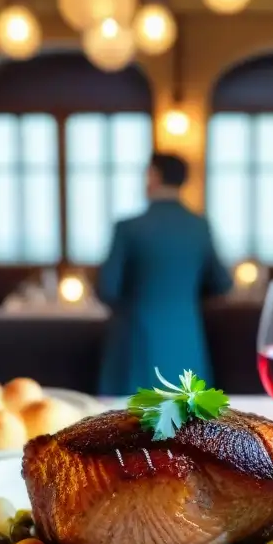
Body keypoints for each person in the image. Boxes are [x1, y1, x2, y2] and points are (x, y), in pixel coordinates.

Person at [95, 152, 233, 395]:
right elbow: (222, 283)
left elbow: (107, 288)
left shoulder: (128, 228)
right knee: (188, 419)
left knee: (128, 419)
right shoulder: (199, 226)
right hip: (187, 337)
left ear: (154, 175)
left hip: (136, 339)